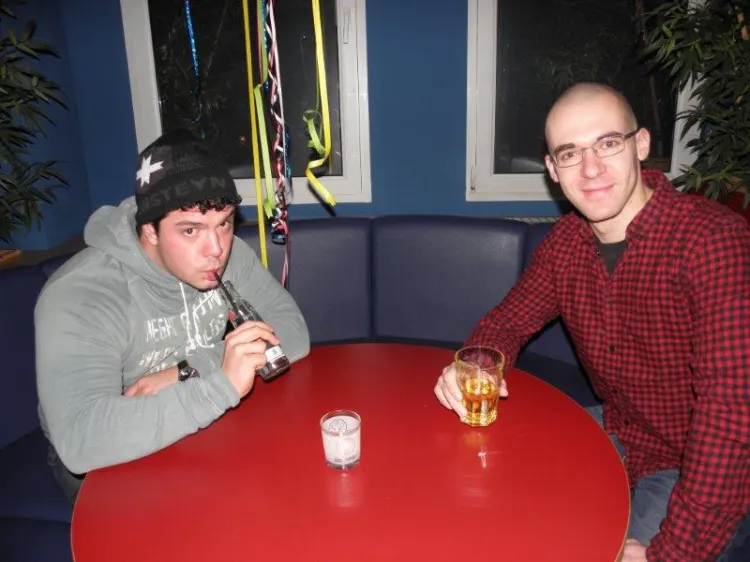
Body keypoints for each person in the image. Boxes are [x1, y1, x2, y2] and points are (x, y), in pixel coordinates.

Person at [434, 83, 750, 561]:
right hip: (617, 429)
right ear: (552, 170)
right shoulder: (566, 244)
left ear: (641, 145)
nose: (591, 168)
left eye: (607, 143)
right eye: (570, 153)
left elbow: (731, 416)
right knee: (483, 485)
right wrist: (475, 368)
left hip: (694, 466)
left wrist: (671, 554)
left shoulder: (712, 242)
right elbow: (507, 324)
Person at [35, 130, 310, 504]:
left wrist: (189, 370)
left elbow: (292, 331)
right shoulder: (83, 294)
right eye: (191, 230)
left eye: (224, 223)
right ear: (149, 229)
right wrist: (221, 384)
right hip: (108, 457)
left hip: (199, 421)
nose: (216, 250)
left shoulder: (227, 258)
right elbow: (82, 439)